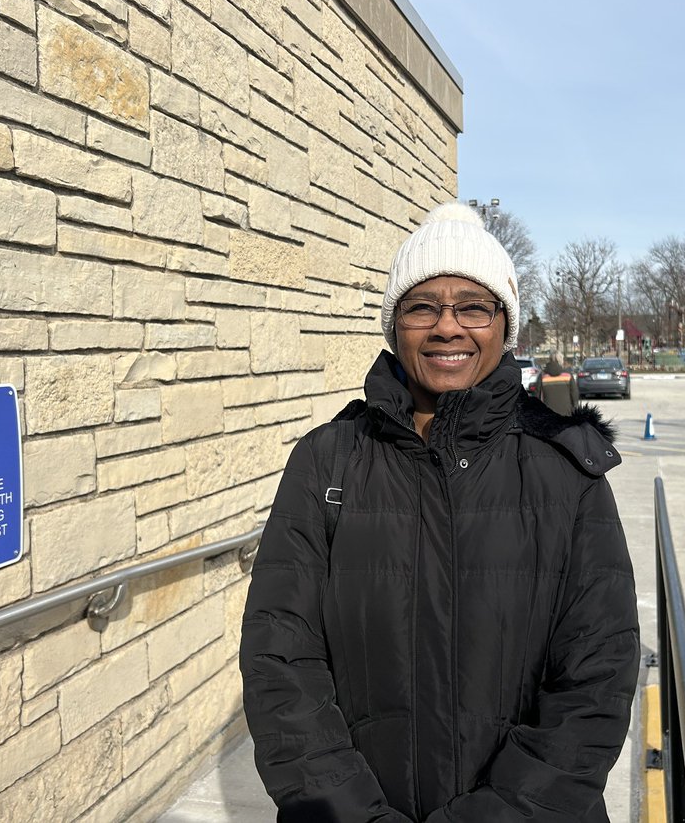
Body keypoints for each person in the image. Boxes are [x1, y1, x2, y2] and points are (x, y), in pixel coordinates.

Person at [241, 202, 639, 822]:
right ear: (393, 327)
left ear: (503, 326)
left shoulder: (567, 471)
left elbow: (597, 680)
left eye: (473, 307)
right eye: (422, 306)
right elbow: (280, 659)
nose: (446, 327)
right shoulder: (327, 462)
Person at [540, 350, 578, 415]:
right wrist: (574, 408)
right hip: (566, 413)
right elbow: (574, 394)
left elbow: (537, 395)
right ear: (561, 360)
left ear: (550, 360)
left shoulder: (542, 376)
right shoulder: (568, 375)